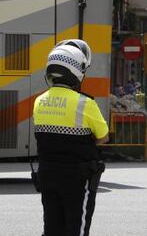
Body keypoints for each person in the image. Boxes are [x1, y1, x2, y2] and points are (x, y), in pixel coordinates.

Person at [32, 39, 109, 236]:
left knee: (52, 227)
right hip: (77, 177)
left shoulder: (39, 101)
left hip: (47, 174)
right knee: (76, 228)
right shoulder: (85, 104)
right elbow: (103, 137)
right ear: (77, 71)